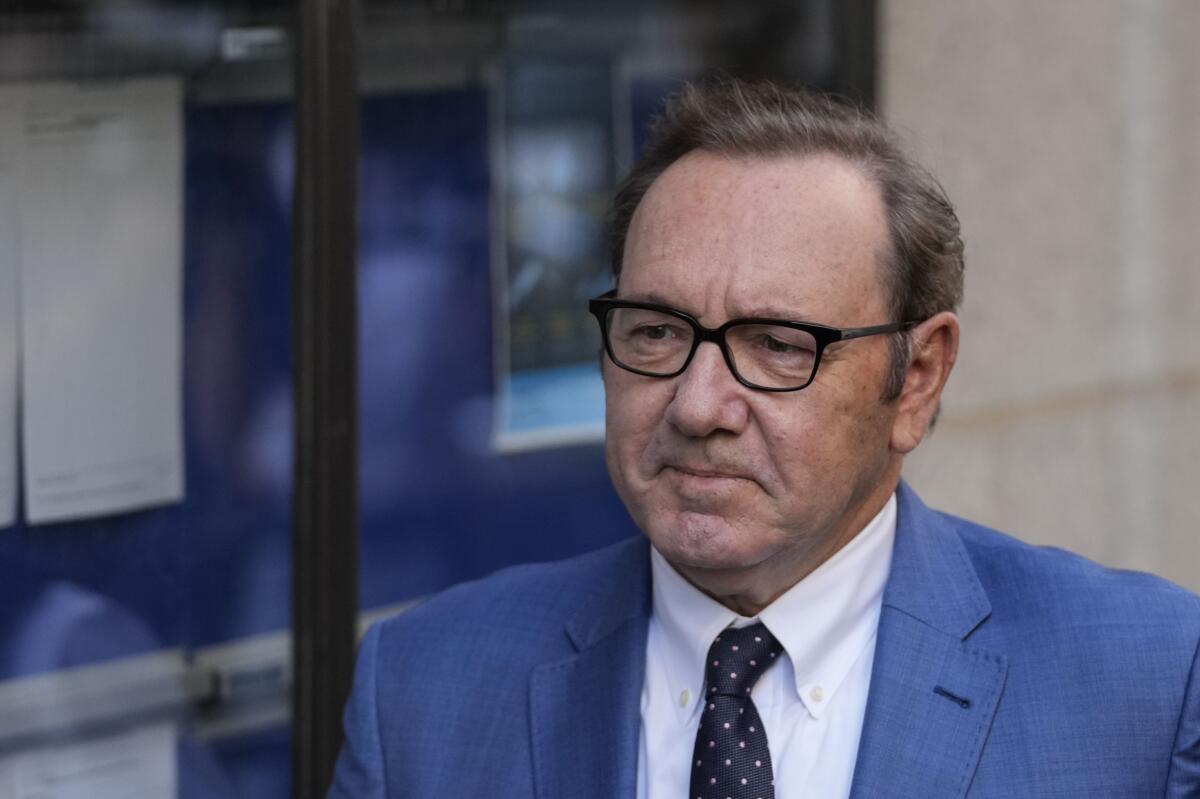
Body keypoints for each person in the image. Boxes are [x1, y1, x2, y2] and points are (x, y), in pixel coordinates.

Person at [328, 79, 1200, 798]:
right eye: (656, 332)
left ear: (918, 377)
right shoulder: (421, 691)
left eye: (779, 345)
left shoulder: (1147, 688)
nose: (699, 404)